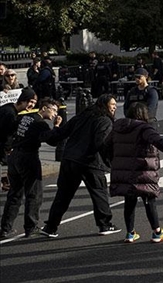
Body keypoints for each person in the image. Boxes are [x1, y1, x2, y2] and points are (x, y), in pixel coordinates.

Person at [41, 94, 120, 238]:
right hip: (89, 161)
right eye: (112, 104)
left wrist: (52, 132)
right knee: (99, 193)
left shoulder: (81, 117)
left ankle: (50, 226)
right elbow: (101, 143)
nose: (115, 107)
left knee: (63, 194)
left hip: (69, 159)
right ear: (104, 106)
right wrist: (111, 162)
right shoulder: (104, 120)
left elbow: (61, 134)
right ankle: (105, 224)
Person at [105, 102, 163, 244]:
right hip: (142, 169)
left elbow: (106, 145)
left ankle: (130, 233)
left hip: (123, 169)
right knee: (149, 199)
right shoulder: (143, 128)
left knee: (129, 201)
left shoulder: (117, 127)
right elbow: (156, 140)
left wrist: (113, 161)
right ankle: (157, 232)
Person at [0, 97, 60, 239]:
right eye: (53, 110)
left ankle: (5, 228)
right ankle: (31, 227)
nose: (55, 114)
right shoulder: (40, 124)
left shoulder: (25, 117)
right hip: (28, 157)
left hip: (14, 156)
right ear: (44, 108)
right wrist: (56, 127)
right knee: (34, 193)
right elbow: (51, 140)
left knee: (14, 193)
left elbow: (13, 130)